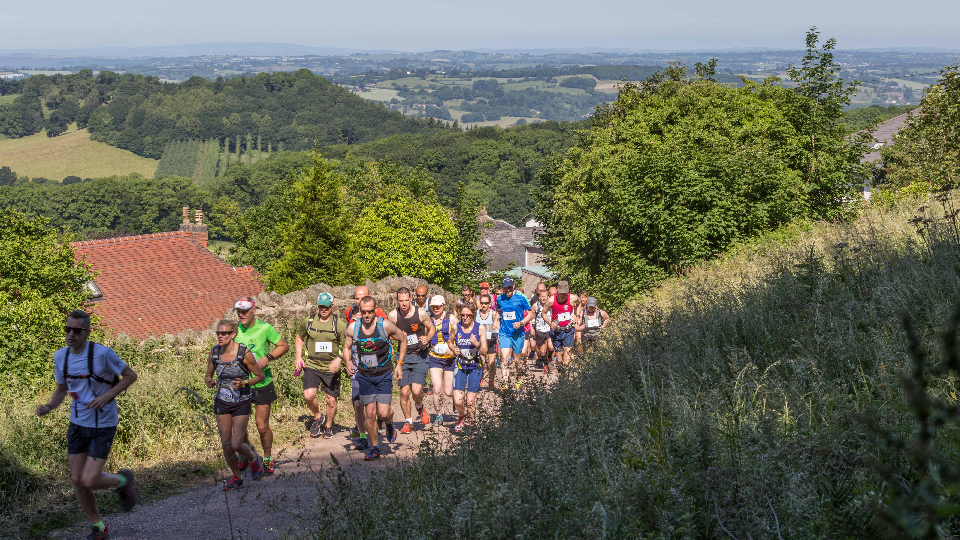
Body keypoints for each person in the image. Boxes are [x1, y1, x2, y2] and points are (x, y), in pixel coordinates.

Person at [37, 310, 138, 540]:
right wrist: (49, 407)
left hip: (103, 423)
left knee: (90, 479)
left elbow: (130, 376)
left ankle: (123, 481)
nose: (70, 334)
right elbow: (62, 388)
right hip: (77, 423)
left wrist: (107, 396)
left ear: (87, 332)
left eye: (76, 330)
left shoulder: (102, 354)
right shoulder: (60, 357)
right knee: (77, 480)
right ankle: (99, 526)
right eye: (67, 329)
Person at [342, 296, 407, 461]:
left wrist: (399, 364)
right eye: (364, 312)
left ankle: (389, 422)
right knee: (370, 414)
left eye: (370, 311)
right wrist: (348, 361)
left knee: (383, 413)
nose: (367, 315)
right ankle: (375, 447)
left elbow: (403, 339)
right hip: (364, 375)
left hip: (383, 374)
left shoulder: (384, 325)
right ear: (360, 311)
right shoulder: (353, 328)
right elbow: (346, 347)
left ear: (375, 310)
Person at [205, 319, 266, 490]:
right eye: (218, 333)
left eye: (224, 333)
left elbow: (259, 376)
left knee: (237, 443)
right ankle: (236, 477)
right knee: (226, 443)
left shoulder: (243, 353)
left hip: (241, 401)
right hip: (222, 401)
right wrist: (209, 380)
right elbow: (208, 375)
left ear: (233, 334)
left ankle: (253, 459)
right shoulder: (214, 353)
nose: (220, 336)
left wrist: (245, 383)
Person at [233, 296, 289, 475]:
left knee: (261, 425)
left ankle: (267, 458)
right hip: (240, 383)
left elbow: (283, 345)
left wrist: (267, 358)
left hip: (262, 382)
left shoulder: (265, 328)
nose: (241, 314)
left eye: (245, 311)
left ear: (253, 310)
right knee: (239, 426)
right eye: (239, 311)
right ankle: (246, 453)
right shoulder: (234, 331)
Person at [295, 292, 347, 439]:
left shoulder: (339, 324)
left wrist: (340, 358)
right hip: (312, 364)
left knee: (331, 400)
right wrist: (298, 357)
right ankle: (318, 417)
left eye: (326, 306)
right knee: (308, 395)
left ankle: (329, 426)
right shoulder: (309, 321)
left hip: (331, 367)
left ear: (332, 306)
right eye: (321, 306)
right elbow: (299, 337)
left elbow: (348, 343)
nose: (324, 309)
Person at [345, 285, 388, 450]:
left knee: (376, 409)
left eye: (361, 297)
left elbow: (387, 336)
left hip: (377, 370)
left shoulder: (378, 315)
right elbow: (346, 345)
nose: (358, 300)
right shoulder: (350, 313)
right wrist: (346, 360)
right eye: (356, 297)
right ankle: (363, 436)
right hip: (358, 369)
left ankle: (379, 424)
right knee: (358, 404)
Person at [388, 286, 436, 433]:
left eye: (406, 300)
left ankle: (420, 407)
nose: (403, 304)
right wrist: (397, 336)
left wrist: (427, 338)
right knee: (404, 392)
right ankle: (408, 422)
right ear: (397, 300)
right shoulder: (393, 316)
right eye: (400, 301)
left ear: (411, 299)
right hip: (403, 357)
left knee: (416, 391)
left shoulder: (420, 313)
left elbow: (432, 328)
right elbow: (387, 335)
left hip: (420, 355)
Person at [450, 302, 488, 433]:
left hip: (475, 366)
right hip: (460, 365)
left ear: (473, 315)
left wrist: (477, 343)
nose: (464, 317)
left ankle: (472, 427)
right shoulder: (456, 327)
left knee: (470, 401)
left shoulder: (480, 328)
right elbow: (450, 342)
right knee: (458, 401)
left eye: (468, 315)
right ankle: (461, 416)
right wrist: (453, 348)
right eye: (462, 315)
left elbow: (485, 350)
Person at [496, 277, 535, 393]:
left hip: (518, 333)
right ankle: (505, 384)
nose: (507, 290)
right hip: (504, 333)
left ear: (513, 286)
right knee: (505, 358)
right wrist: (496, 321)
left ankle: (519, 380)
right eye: (505, 288)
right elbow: (499, 312)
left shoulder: (521, 297)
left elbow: (531, 314)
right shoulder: (499, 298)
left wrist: (521, 323)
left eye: (509, 287)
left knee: (517, 360)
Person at [427, 295, 458, 425]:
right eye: (433, 306)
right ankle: (439, 415)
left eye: (438, 306)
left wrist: (455, 348)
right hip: (434, 357)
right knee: (437, 388)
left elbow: (461, 331)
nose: (435, 308)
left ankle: (458, 401)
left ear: (443, 306)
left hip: (450, 358)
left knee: (448, 391)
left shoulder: (450, 317)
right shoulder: (428, 319)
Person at [548, 281, 576, 372]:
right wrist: (550, 323)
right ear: (558, 291)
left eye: (565, 293)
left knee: (567, 355)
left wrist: (577, 315)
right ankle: (561, 375)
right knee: (559, 359)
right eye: (561, 293)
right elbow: (543, 313)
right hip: (557, 331)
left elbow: (578, 304)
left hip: (568, 330)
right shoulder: (551, 300)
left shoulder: (573, 298)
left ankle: (567, 377)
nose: (563, 295)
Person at [476, 293, 500, 389]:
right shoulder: (476, 313)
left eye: (486, 303)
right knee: (481, 362)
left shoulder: (493, 313)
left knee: (491, 364)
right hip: (481, 343)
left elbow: (498, 327)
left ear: (490, 303)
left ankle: (491, 381)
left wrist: (492, 327)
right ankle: (480, 378)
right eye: (482, 303)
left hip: (491, 341)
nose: (484, 305)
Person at [532, 289, 555, 373]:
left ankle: (550, 358)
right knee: (542, 351)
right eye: (542, 296)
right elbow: (532, 317)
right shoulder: (536, 306)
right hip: (539, 330)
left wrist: (555, 324)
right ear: (539, 297)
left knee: (551, 347)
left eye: (545, 296)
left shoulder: (551, 305)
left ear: (548, 297)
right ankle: (545, 365)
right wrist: (532, 328)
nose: (544, 298)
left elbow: (556, 315)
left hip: (549, 329)